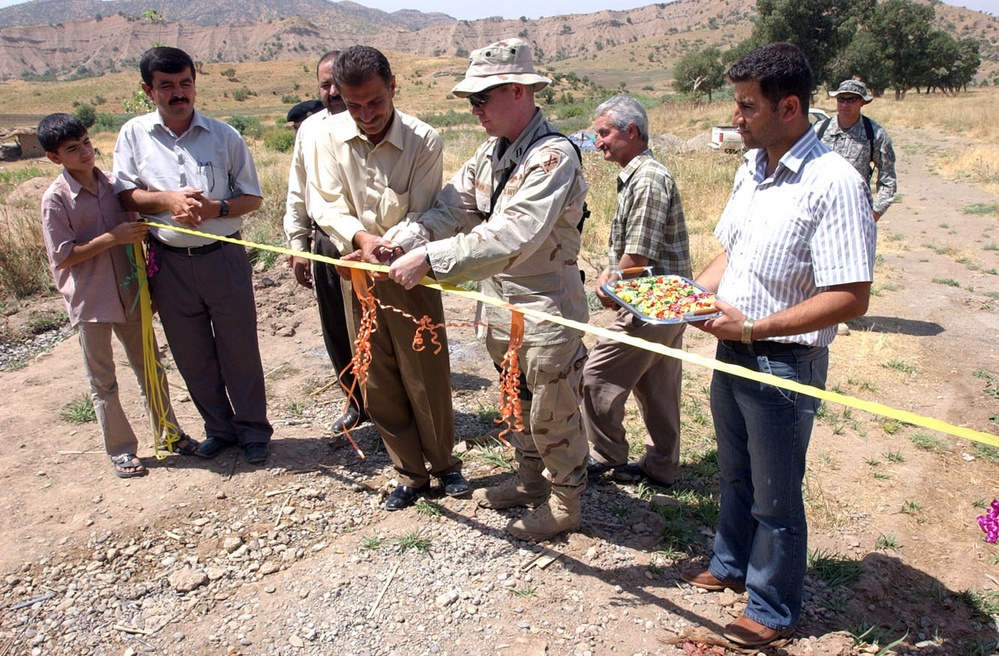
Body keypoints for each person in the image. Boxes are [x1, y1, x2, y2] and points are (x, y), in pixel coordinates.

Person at [683, 43, 876, 648]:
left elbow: (851, 295)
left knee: (776, 495)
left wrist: (753, 328)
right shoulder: (753, 169)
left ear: (788, 106)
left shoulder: (834, 183)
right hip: (735, 351)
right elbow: (732, 255)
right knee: (735, 473)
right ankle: (730, 564)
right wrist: (684, 295)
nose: (734, 118)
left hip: (782, 361)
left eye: (746, 106)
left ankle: (771, 610)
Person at [385, 38, 589, 541]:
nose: (475, 109)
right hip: (502, 305)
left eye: (482, 98)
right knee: (514, 399)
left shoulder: (552, 157)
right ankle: (529, 482)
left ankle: (566, 502)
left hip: (546, 309)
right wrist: (409, 236)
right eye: (471, 101)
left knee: (553, 408)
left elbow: (513, 233)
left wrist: (431, 258)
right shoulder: (491, 152)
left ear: (519, 91)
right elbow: (455, 204)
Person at [309, 45, 468, 510]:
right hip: (356, 273)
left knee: (426, 370)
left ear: (392, 86)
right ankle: (409, 473)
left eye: (375, 102)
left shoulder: (424, 140)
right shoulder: (325, 138)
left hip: (409, 273)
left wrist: (390, 246)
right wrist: (361, 239)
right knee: (375, 375)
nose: (366, 114)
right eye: (354, 105)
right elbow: (327, 204)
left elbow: (421, 210)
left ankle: (444, 464)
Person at [113, 46, 273, 465]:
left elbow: (251, 198)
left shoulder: (225, 136)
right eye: (167, 86)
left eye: (185, 83)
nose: (178, 93)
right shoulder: (134, 135)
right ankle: (219, 430)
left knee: (239, 349)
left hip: (224, 257)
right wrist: (167, 199)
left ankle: (254, 431)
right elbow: (125, 192)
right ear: (148, 90)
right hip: (167, 263)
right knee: (191, 353)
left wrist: (215, 209)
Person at [38, 113, 199, 478]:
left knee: (151, 370)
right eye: (72, 149)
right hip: (91, 301)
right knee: (103, 380)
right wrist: (112, 237)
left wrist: (152, 283)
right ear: (54, 157)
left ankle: (170, 434)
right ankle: (122, 451)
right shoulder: (56, 199)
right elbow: (63, 258)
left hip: (132, 293)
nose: (84, 153)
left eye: (86, 143)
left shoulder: (115, 186)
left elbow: (144, 236)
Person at [581, 95, 690, 488]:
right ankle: (661, 466)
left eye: (605, 133)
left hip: (653, 302)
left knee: (594, 377)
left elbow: (638, 257)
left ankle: (607, 454)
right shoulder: (639, 175)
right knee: (656, 385)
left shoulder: (646, 179)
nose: (599, 142)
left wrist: (607, 287)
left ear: (631, 132)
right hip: (667, 302)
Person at [284, 50, 367, 434]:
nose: (332, 91)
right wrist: (298, 244)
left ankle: (390, 408)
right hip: (327, 246)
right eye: (325, 84)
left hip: (371, 244)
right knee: (336, 327)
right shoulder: (310, 130)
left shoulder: (372, 122)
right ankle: (354, 404)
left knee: (377, 330)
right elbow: (297, 191)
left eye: (338, 82)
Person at [816, 79, 897, 222]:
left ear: (862, 102)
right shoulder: (819, 130)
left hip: (856, 213)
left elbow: (888, 176)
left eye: (851, 99)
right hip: (820, 211)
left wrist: (876, 212)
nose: (845, 104)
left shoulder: (875, 134)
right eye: (841, 99)